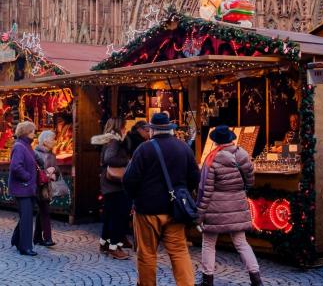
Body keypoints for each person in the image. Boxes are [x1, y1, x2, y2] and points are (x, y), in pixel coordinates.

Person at [123, 113, 200, 286]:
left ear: (152, 131)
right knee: (179, 251)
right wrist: (183, 192)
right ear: (171, 130)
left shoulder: (144, 149)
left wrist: (135, 198)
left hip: (147, 209)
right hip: (175, 210)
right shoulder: (184, 148)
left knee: (147, 253)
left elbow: (129, 180)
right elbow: (196, 177)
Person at [196, 125, 261, 286]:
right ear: (231, 138)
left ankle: (207, 280)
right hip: (238, 204)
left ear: (216, 141)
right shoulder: (242, 154)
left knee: (209, 244)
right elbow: (250, 181)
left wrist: (199, 215)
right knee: (241, 243)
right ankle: (256, 279)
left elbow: (206, 190)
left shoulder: (212, 158)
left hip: (215, 208)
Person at [91, 118, 131, 260]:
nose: (125, 129)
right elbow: (109, 158)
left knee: (109, 216)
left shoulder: (108, 140)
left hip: (108, 185)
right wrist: (127, 161)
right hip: (114, 185)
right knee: (118, 216)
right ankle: (115, 247)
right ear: (119, 128)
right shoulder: (114, 141)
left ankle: (104, 243)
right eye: (124, 127)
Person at [8, 121, 38, 256]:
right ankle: (25, 247)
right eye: (32, 131)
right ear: (26, 133)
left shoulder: (26, 146)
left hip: (26, 187)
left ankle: (16, 239)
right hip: (22, 188)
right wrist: (27, 177)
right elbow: (15, 167)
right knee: (26, 217)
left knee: (26, 216)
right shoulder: (20, 147)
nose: (34, 134)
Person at [32, 130, 58, 248]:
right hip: (40, 186)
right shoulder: (35, 153)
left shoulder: (52, 154)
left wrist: (54, 172)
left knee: (42, 211)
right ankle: (47, 238)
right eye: (52, 139)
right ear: (45, 141)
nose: (54, 141)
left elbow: (55, 168)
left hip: (47, 186)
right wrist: (46, 173)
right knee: (45, 211)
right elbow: (34, 170)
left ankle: (37, 237)